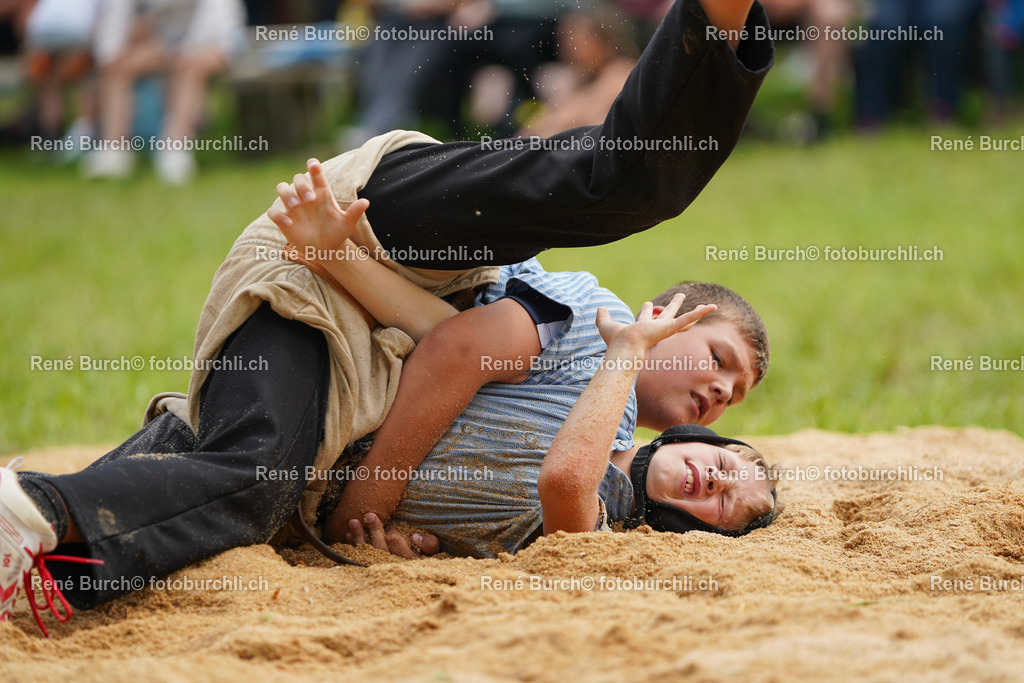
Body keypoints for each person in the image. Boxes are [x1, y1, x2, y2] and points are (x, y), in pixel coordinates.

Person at [1, 0, 775, 634]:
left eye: (735, 397)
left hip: (324, 316)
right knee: (622, 181)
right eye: (719, 360)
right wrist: (368, 500)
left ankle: (54, 515)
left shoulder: (603, 468)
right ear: (669, 313)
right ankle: (723, 18)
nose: (720, 394)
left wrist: (392, 534)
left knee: (253, 483)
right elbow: (459, 349)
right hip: (399, 223)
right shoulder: (599, 320)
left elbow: (438, 362)